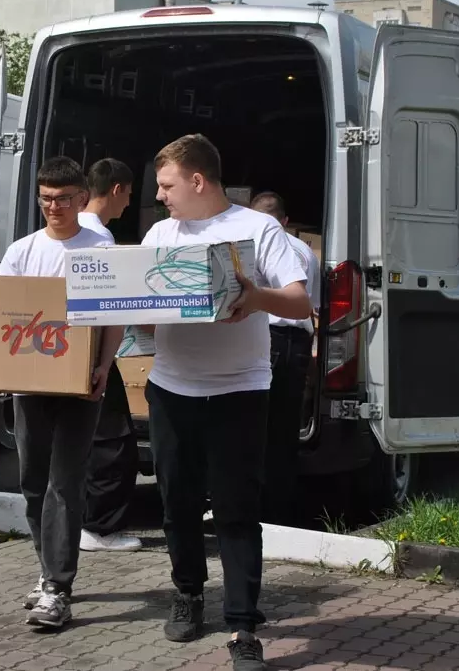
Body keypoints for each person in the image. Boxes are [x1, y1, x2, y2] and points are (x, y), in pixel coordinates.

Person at [141, 135, 309, 670]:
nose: (161, 196)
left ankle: (242, 629)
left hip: (239, 389)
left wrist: (254, 296)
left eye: (167, 185)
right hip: (171, 386)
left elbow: (302, 301)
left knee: (237, 511)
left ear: (198, 180)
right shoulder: (160, 234)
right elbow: (144, 303)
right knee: (177, 504)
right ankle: (188, 595)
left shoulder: (257, 229)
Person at [0, 156, 123, 630]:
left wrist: (104, 366)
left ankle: (59, 588)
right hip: (30, 385)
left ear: (82, 198)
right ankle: (48, 575)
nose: (54, 207)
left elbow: (110, 312)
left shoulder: (98, 246)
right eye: (46, 199)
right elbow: (3, 314)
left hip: (80, 385)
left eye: (63, 199)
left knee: (65, 481)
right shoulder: (22, 250)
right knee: (31, 481)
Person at [78, 158, 143, 553]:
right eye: (129, 195)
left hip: (64, 352)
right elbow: (111, 310)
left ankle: (83, 521)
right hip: (95, 354)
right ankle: (100, 528)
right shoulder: (101, 242)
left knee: (80, 442)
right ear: (116, 189)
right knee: (113, 443)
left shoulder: (65, 232)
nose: (129, 204)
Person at [250, 191, 320, 527]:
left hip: (264, 339)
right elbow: (312, 307)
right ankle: (280, 515)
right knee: (284, 432)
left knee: (252, 428)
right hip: (297, 344)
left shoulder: (248, 248)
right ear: (286, 221)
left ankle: (251, 510)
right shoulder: (305, 252)